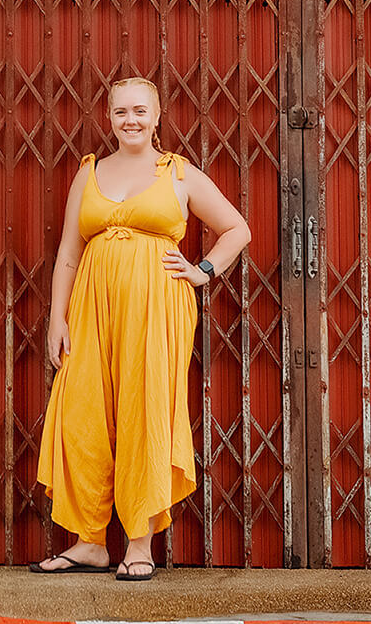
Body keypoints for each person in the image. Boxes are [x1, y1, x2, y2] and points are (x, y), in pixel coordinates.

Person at [32, 75, 251, 583]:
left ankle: (138, 543)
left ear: (156, 117)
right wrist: (56, 318)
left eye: (139, 111)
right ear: (108, 118)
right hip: (91, 307)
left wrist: (204, 271)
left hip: (158, 308)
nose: (130, 120)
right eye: (120, 112)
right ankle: (89, 542)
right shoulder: (88, 174)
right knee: (83, 409)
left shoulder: (178, 173)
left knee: (144, 409)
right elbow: (68, 253)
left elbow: (237, 228)